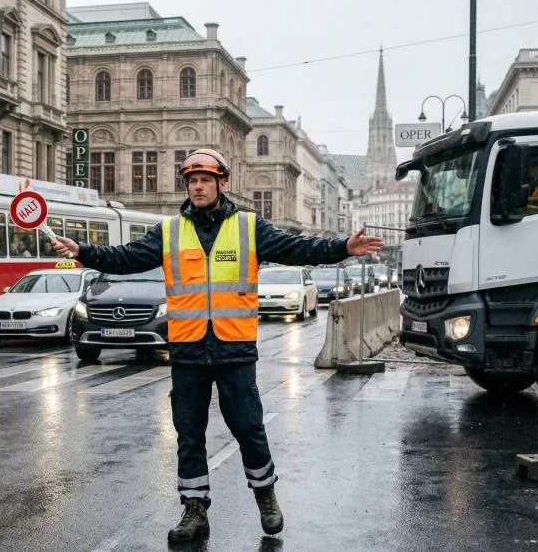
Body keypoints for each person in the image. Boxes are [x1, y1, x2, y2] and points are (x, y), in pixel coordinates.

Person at [52, 149, 383, 543]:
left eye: (206, 180)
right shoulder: (170, 231)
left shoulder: (248, 227)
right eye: (192, 181)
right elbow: (125, 257)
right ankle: (194, 512)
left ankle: (266, 497)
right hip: (189, 350)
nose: (198, 186)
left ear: (222, 183)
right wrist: (83, 251)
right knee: (189, 433)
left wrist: (343, 247)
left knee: (248, 428)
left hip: (234, 349)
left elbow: (298, 249)